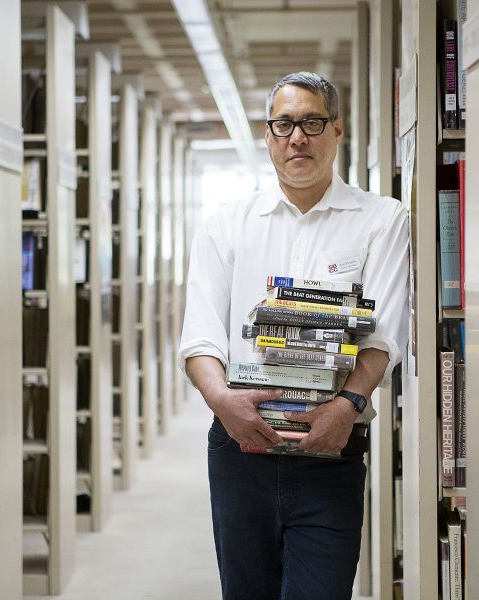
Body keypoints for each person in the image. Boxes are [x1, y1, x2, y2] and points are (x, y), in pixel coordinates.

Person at [178, 71, 410, 600]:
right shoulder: (227, 223)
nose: (296, 137)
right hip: (240, 450)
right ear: (268, 134)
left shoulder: (381, 219)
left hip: (333, 445)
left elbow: (386, 335)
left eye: (311, 122)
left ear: (336, 130)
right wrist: (222, 402)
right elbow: (201, 336)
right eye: (283, 124)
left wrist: (347, 406)